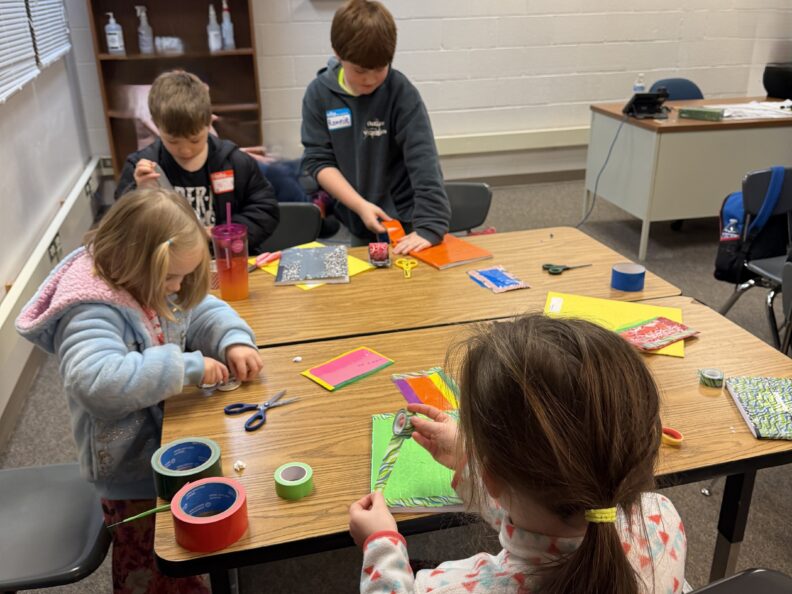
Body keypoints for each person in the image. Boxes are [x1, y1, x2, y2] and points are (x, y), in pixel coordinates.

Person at [16, 188, 264, 593]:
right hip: (128, 471)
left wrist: (233, 339)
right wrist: (187, 366)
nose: (177, 286)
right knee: (147, 559)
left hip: (163, 445)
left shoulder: (151, 281)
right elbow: (97, 382)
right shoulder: (89, 307)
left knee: (179, 541)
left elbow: (199, 308)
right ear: (134, 262)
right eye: (171, 278)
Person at [349, 315, 687, 593]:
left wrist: (380, 546)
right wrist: (473, 462)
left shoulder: (450, 588)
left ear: (492, 477)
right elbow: (552, 510)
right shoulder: (662, 518)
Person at [301, 0, 451, 254]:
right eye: (359, 71)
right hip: (360, 217)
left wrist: (431, 225)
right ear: (338, 53)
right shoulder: (318, 94)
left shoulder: (400, 92)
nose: (369, 79)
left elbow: (423, 158)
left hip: (407, 218)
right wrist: (359, 205)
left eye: (380, 69)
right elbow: (318, 162)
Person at [115, 70, 279, 255]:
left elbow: (265, 211)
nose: (185, 150)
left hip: (229, 259)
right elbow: (121, 228)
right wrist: (141, 193)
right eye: (173, 141)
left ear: (209, 122)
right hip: (169, 266)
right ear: (155, 124)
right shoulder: (141, 167)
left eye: (195, 140)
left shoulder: (236, 162)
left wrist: (222, 234)